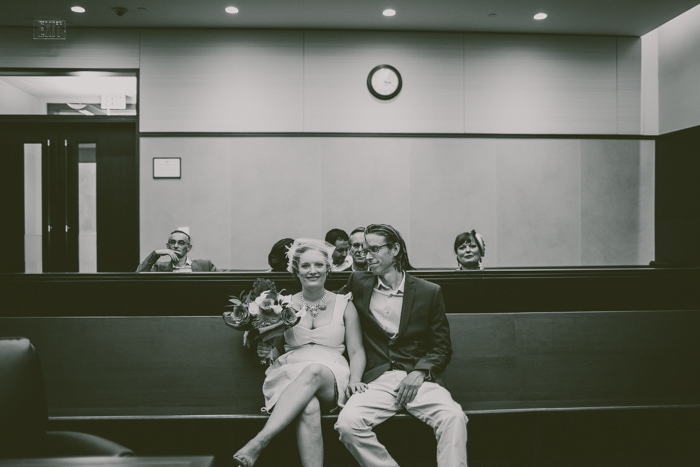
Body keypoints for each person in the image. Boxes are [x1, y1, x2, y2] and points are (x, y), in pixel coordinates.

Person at [335, 224, 468, 467]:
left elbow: (441, 346)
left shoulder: (429, 292)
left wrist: (419, 372)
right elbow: (328, 306)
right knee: (347, 424)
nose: (366, 256)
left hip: (418, 379)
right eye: (364, 250)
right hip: (376, 379)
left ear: (395, 249)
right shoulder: (357, 282)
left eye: (374, 249)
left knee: (454, 417)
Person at [232, 238, 366, 467]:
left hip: (331, 376)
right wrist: (267, 349)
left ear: (328, 268)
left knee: (313, 371)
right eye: (305, 266)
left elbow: (357, 351)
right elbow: (274, 348)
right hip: (289, 373)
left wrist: (355, 380)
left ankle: (259, 442)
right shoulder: (282, 305)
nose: (312, 271)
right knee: (309, 406)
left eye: (318, 265)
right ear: (296, 270)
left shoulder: (345, 304)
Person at [136, 229, 217, 272]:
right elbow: (138, 277)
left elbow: (220, 285)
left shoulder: (205, 265)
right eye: (172, 242)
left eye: (181, 243)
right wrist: (157, 253)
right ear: (168, 246)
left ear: (188, 248)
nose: (176, 246)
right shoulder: (159, 267)